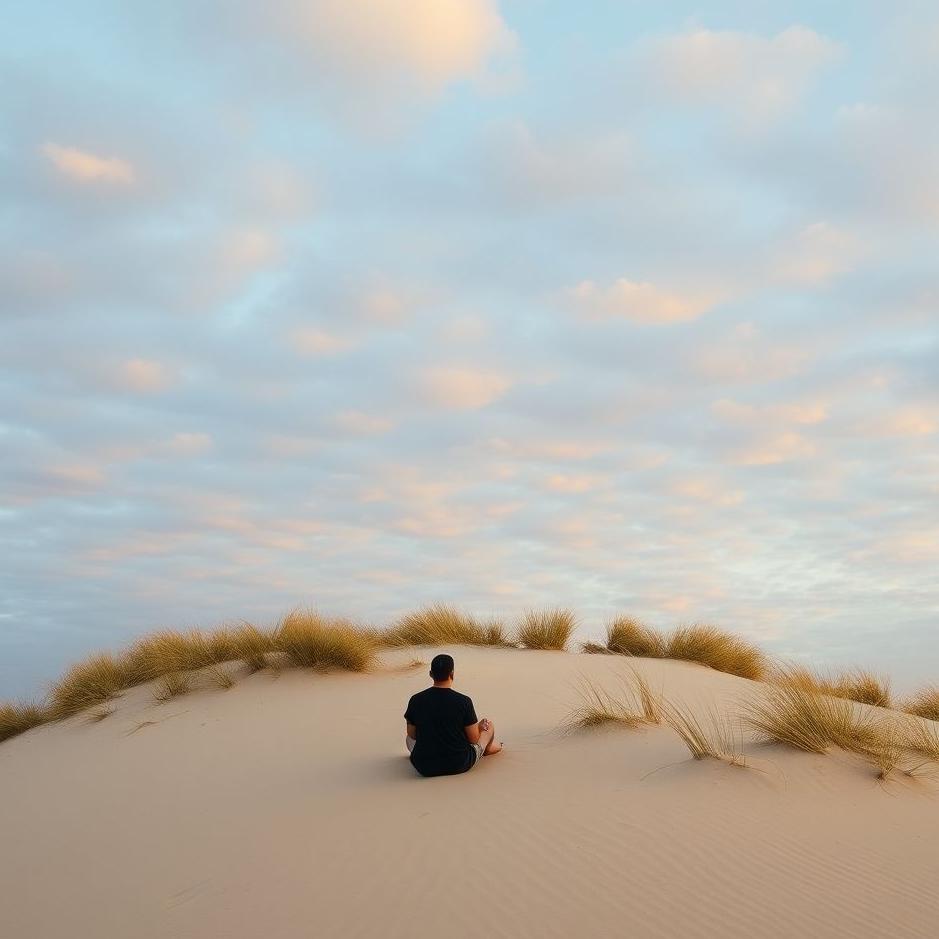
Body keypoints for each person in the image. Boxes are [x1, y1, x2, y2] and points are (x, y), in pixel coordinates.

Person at [403, 653, 502, 777]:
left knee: (408, 739)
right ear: (452, 674)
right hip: (459, 763)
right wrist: (479, 728)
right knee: (489, 726)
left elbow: (412, 735)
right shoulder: (463, 701)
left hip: (424, 766)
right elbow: (474, 739)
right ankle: (489, 749)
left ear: (431, 674)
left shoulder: (415, 700)